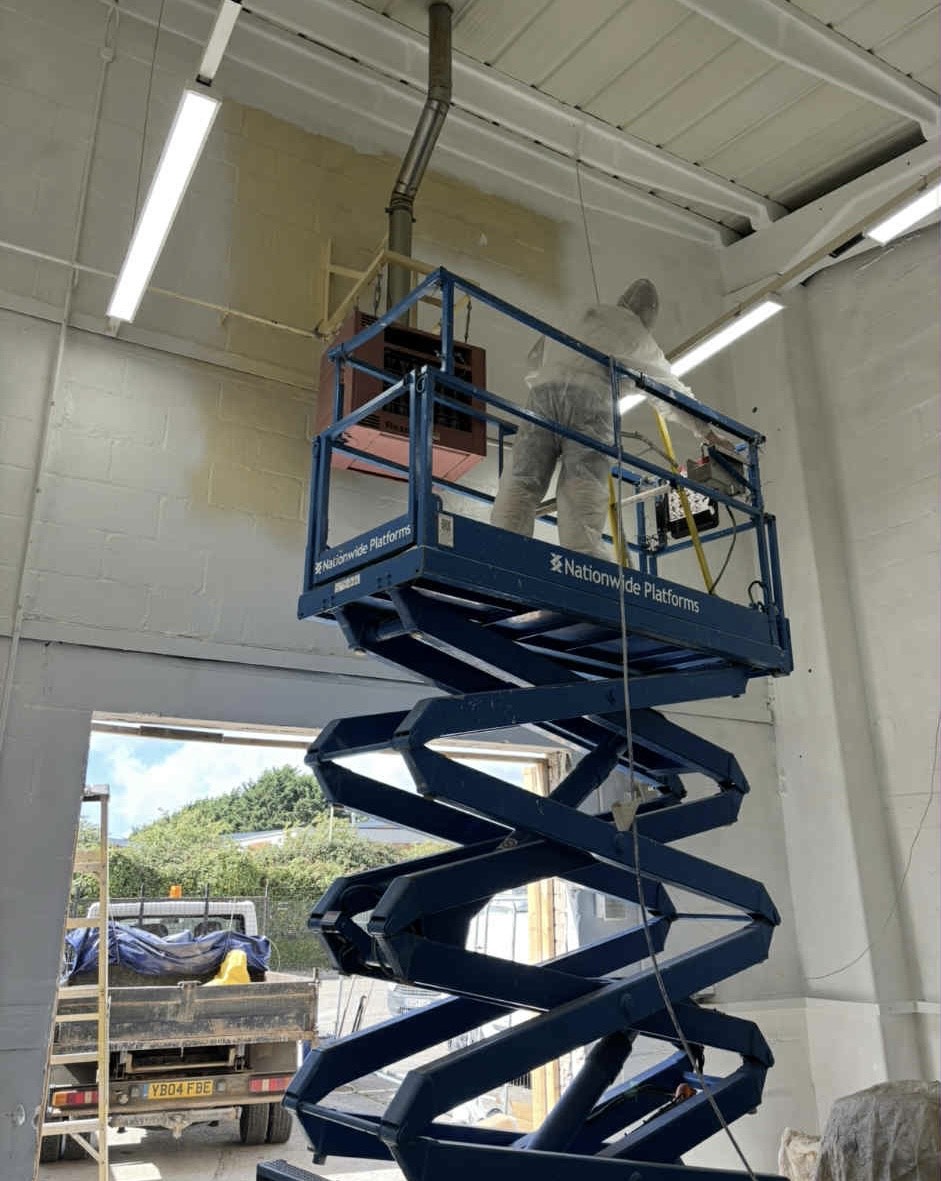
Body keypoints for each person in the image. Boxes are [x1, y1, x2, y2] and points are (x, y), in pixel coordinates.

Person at [490, 279, 701, 559]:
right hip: (590, 401)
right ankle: (583, 558)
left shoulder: (583, 313)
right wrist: (707, 431)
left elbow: (534, 358)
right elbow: (670, 390)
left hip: (542, 396)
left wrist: (551, 385)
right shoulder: (635, 333)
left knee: (523, 477)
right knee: (583, 483)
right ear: (647, 317)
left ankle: (502, 547)